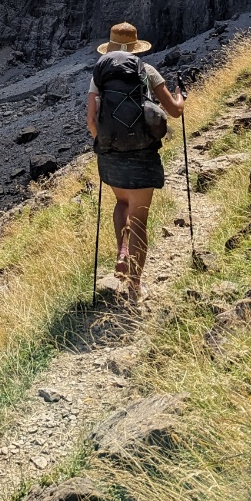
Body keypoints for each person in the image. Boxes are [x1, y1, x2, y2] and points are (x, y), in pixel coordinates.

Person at [86, 21, 185, 300]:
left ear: (111, 46)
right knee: (139, 218)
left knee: (121, 202)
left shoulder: (100, 75)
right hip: (142, 152)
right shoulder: (147, 71)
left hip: (110, 151)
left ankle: (122, 250)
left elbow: (90, 119)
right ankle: (134, 288)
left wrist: (103, 141)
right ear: (136, 47)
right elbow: (174, 111)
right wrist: (181, 96)